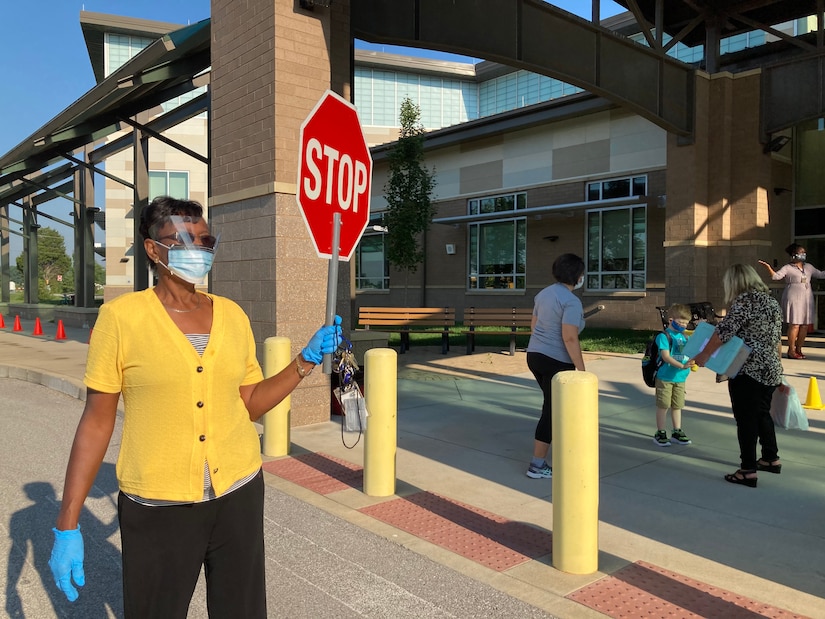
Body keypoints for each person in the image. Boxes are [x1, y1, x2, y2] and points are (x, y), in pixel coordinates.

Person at [48, 196, 342, 617]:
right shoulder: (121, 318)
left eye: (205, 240)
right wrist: (68, 523)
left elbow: (251, 404)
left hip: (238, 493)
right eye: (184, 240)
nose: (198, 249)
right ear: (153, 248)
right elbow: (96, 422)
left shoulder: (232, 315)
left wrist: (305, 361)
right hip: (158, 505)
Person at [692, 264, 783, 488]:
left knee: (746, 419)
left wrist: (703, 355)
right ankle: (771, 458)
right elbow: (777, 338)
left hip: (747, 368)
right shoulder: (771, 301)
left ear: (734, 282)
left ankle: (747, 470)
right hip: (770, 366)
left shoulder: (744, 301)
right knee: (762, 413)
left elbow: (724, 332)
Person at [524, 253, 586, 479]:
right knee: (552, 411)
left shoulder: (544, 294)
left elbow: (534, 326)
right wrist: (581, 370)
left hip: (535, 356)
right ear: (578, 275)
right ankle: (537, 465)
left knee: (556, 409)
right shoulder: (571, 301)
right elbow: (569, 337)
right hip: (557, 361)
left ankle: (559, 454)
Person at [758, 243, 825, 359]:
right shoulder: (787, 268)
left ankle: (799, 349)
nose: (803, 254)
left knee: (804, 325)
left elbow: (821, 274)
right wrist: (769, 268)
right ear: (794, 255)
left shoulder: (808, 267)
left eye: (804, 252)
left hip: (806, 297)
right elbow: (776, 277)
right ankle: (791, 350)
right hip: (793, 296)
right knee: (795, 325)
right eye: (801, 252)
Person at [652, 303, 695, 447]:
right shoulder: (664, 336)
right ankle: (660, 432)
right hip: (665, 377)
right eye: (680, 322)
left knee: (677, 405)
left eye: (686, 323)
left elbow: (688, 353)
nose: (683, 325)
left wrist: (691, 362)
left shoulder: (684, 337)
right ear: (671, 320)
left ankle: (677, 431)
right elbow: (665, 356)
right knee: (663, 405)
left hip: (680, 378)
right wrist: (681, 365)